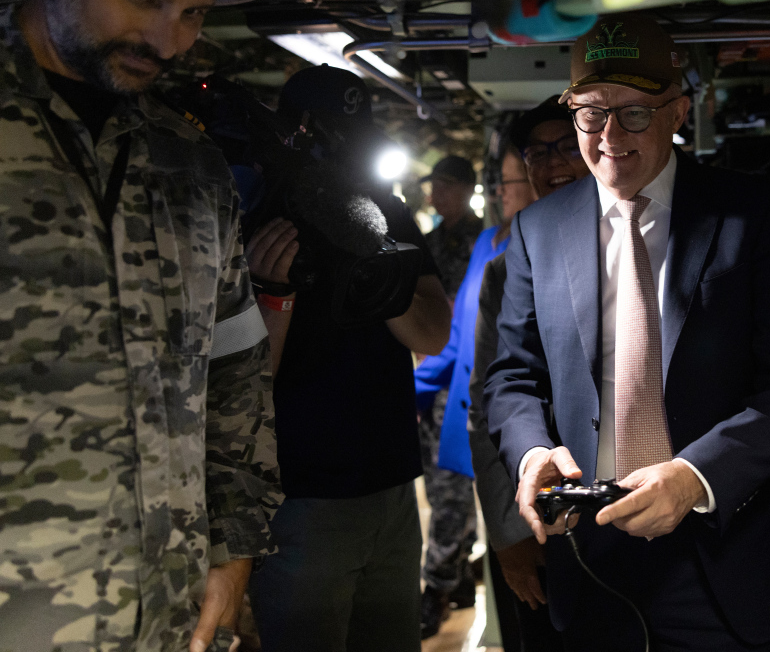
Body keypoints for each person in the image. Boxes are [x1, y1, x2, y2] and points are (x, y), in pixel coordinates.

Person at [0, 0, 282, 651]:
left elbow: (235, 369)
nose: (168, 40)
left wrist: (234, 547)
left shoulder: (190, 165)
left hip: (170, 620)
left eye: (194, 13)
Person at [484, 13, 770, 651]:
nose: (609, 136)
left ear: (678, 111)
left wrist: (697, 475)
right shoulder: (540, 229)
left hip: (719, 548)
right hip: (587, 549)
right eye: (591, 113)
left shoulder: (750, 213)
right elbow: (512, 377)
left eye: (635, 113)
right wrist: (532, 454)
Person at [245, 66, 451, 652]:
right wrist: (274, 290)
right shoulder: (259, 209)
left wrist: (370, 260)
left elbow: (434, 332)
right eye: (331, 134)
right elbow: (245, 379)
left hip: (391, 486)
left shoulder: (386, 210)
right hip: (301, 494)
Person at [468, 96, 590, 652]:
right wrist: (508, 532)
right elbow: (488, 403)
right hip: (543, 510)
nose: (552, 162)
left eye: (567, 146)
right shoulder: (505, 270)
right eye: (537, 153)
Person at [413, 146, 535, 638]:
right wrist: (418, 388)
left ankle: (442, 585)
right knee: (456, 502)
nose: (503, 192)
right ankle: (454, 583)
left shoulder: (532, 240)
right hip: (467, 403)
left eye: (512, 181)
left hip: (513, 414)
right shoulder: (489, 240)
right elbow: (461, 331)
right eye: (501, 182)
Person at [424, 155, 484, 296]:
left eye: (446, 187)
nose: (438, 194)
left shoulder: (485, 236)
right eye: (434, 187)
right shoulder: (428, 239)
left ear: (469, 189)